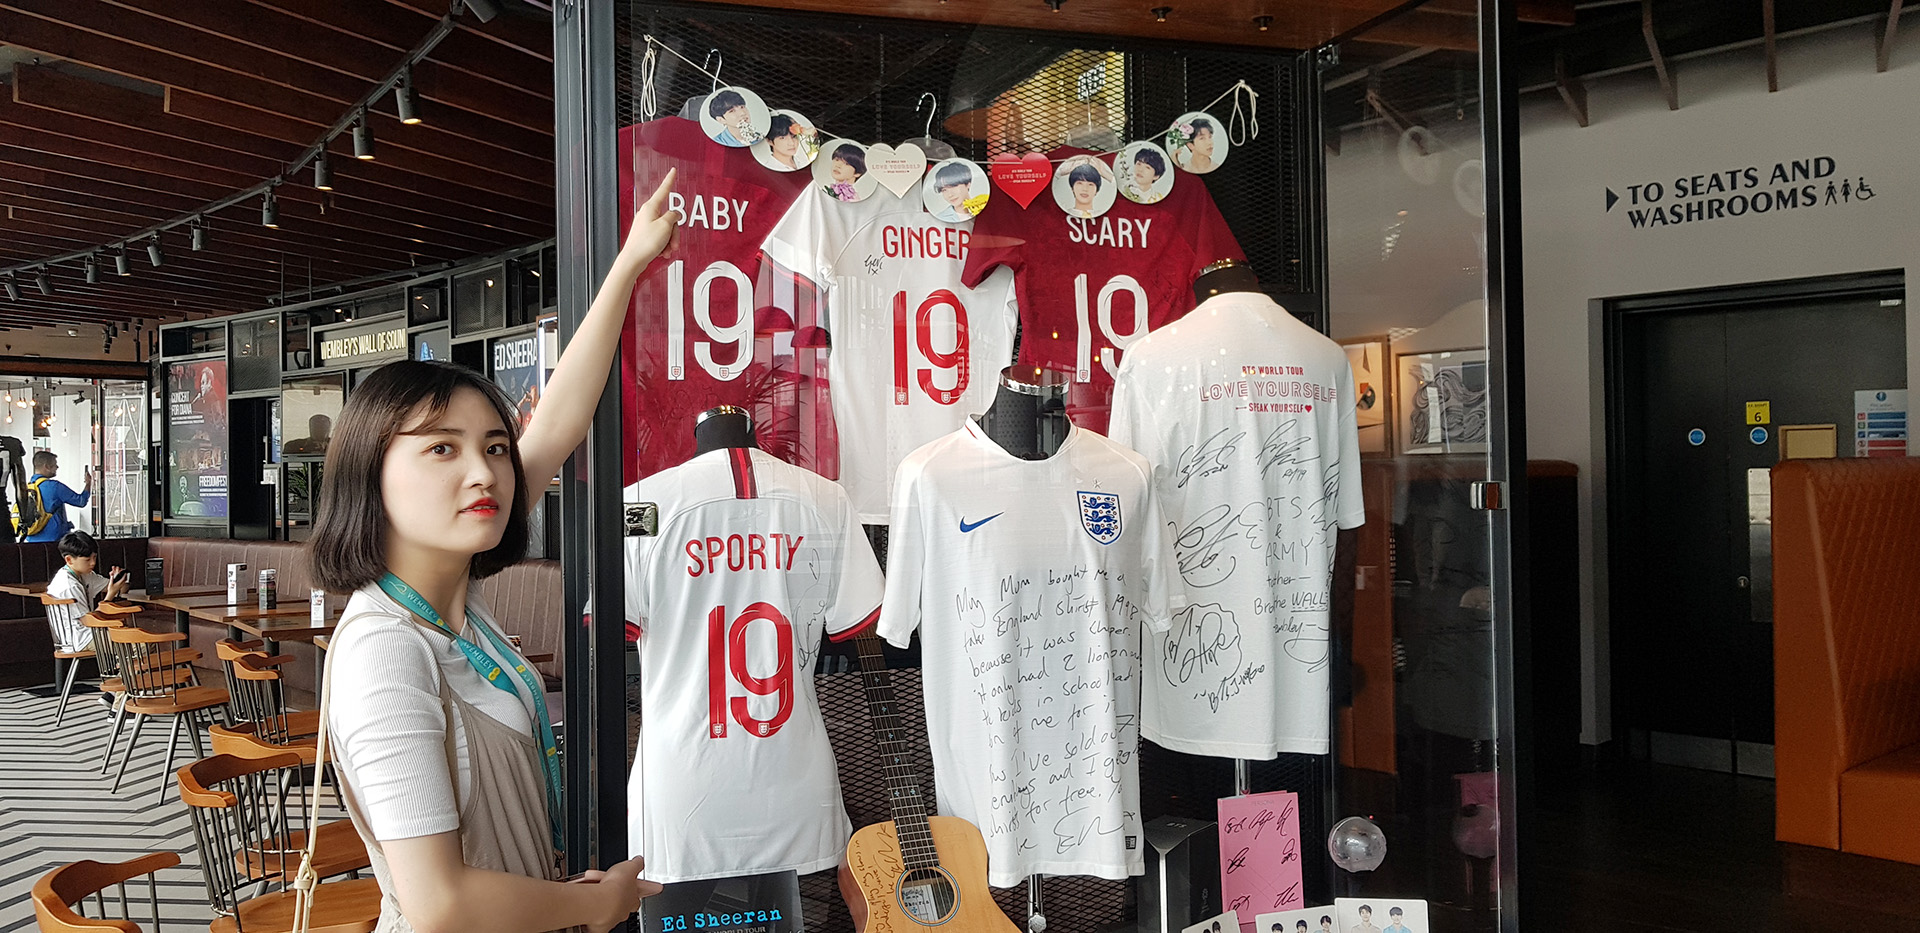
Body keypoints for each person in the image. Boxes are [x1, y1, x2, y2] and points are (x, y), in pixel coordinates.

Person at [309, 169, 681, 933]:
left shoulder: (454, 602)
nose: (483, 472)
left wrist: (628, 265)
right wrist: (596, 902)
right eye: (441, 448)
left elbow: (559, 423)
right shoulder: (385, 647)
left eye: (494, 447)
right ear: (369, 474)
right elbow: (439, 904)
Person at [45, 530, 127, 654]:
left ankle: (124, 666)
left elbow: (122, 589)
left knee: (137, 638)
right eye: (87, 560)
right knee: (141, 644)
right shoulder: (69, 585)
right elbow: (88, 621)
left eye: (94, 557)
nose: (93, 563)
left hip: (91, 633)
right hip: (81, 639)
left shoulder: (85, 574)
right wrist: (110, 595)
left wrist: (117, 580)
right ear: (69, 560)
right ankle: (124, 666)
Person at [23, 451, 91, 543]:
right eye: (55, 464)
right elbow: (81, 501)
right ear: (47, 466)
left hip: (31, 540)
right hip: (54, 541)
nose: (57, 467)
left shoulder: (27, 488)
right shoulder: (54, 487)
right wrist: (88, 483)